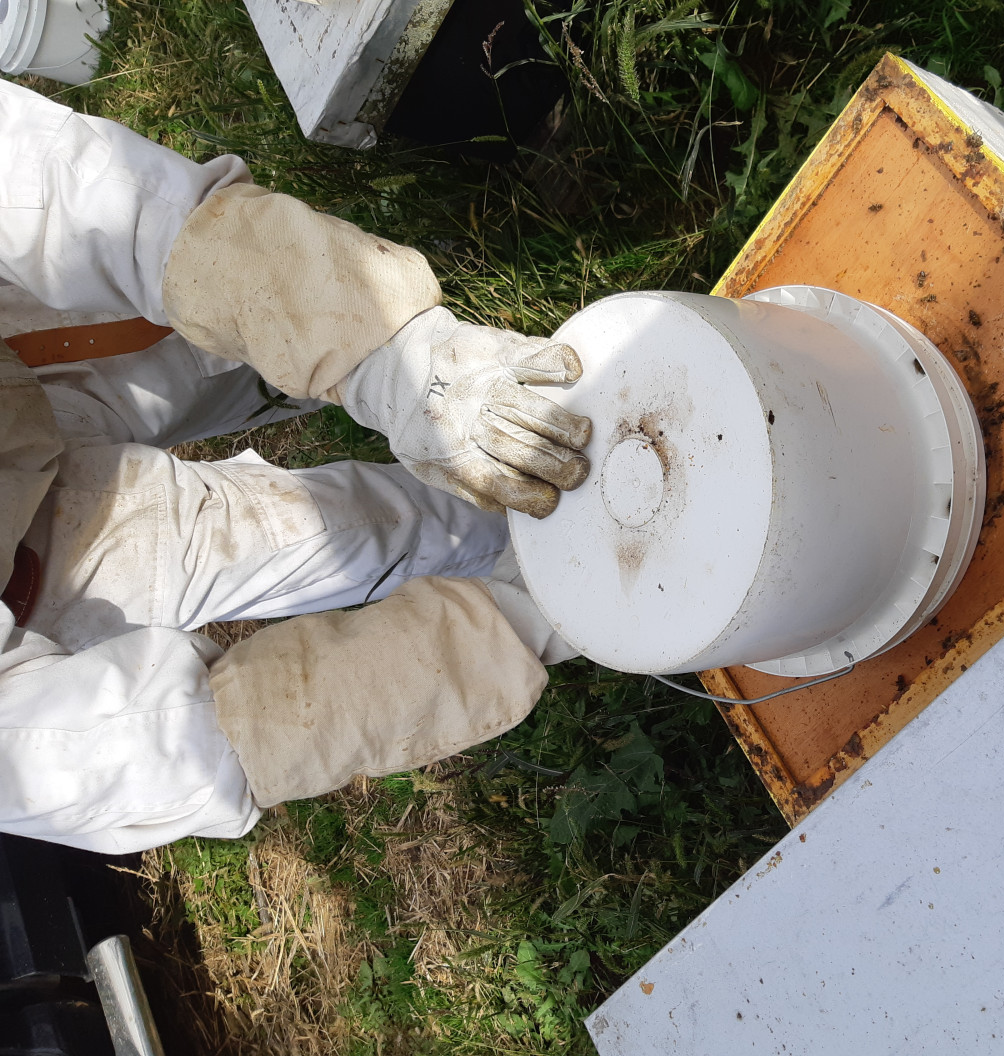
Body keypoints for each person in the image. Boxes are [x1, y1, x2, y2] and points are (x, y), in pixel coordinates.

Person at [0, 78, 593, 854]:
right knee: (339, 535)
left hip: (23, 358)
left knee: (241, 335)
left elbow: (65, 188)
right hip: (57, 576)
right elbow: (149, 749)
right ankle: (552, 561)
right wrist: (500, 636)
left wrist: (394, 355)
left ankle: (383, 371)